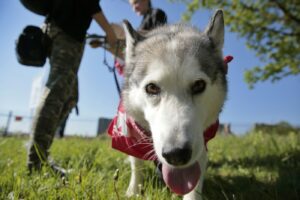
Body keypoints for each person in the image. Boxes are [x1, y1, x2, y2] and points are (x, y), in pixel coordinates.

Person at [27, 0, 118, 175]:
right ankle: (36, 163)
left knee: (69, 97)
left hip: (67, 32)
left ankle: (41, 155)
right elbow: (89, 4)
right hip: (66, 34)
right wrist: (109, 31)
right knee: (56, 93)